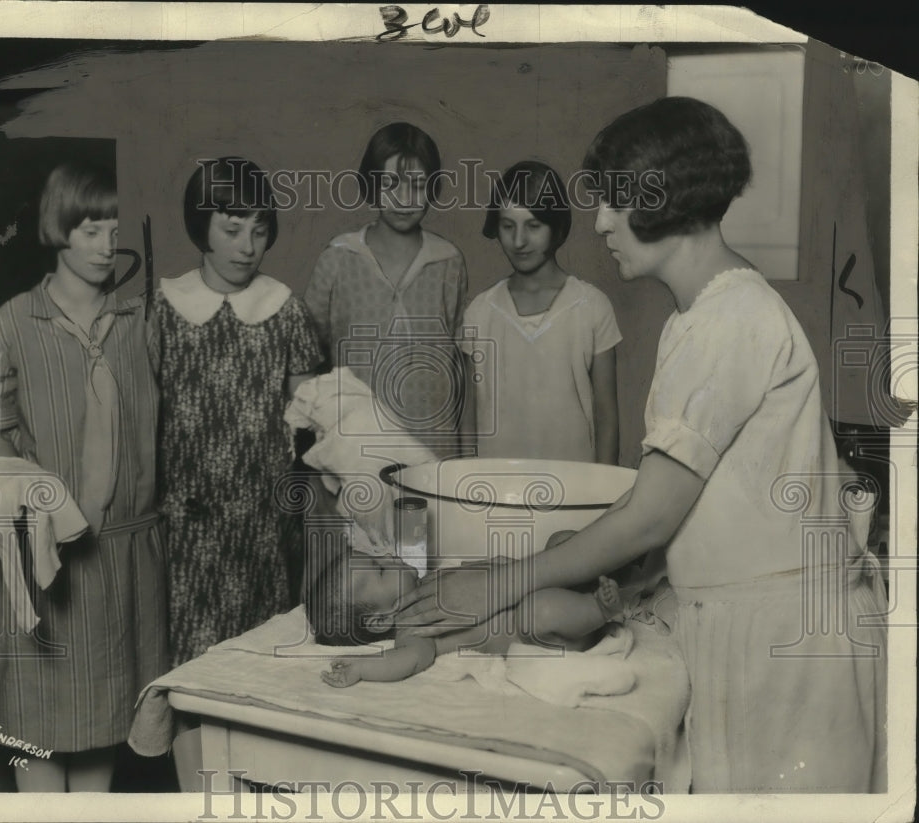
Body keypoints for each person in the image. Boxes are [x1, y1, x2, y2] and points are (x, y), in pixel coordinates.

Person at [396, 97, 887, 793]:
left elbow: (650, 517)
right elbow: (671, 502)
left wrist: (498, 584)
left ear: (662, 200)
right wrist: (563, 565)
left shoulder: (729, 320)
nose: (599, 223)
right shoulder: (702, 316)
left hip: (786, 644)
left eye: (613, 202)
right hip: (758, 623)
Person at [0, 162, 168, 792]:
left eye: (116, 231)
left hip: (122, 560)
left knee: (102, 724)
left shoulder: (143, 321)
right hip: (44, 558)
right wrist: (22, 496)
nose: (106, 246)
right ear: (59, 229)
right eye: (90, 230)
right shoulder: (13, 322)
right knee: (35, 724)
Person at [151, 157, 322, 668]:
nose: (248, 247)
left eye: (259, 231)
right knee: (190, 667)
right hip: (188, 530)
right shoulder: (162, 309)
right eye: (232, 230)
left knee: (259, 663)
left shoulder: (286, 310)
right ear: (201, 225)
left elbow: (310, 427)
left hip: (264, 530)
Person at [303, 122, 467, 456]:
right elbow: (306, 358)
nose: (404, 199)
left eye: (417, 185)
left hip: (431, 447)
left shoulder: (448, 262)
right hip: (353, 449)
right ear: (370, 184)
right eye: (390, 184)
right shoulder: (338, 258)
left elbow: (461, 363)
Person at [461, 160, 620, 463]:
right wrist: (466, 482)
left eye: (533, 226)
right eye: (508, 226)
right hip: (495, 487)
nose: (519, 241)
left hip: (575, 486)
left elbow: (607, 421)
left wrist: (607, 486)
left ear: (557, 228)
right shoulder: (479, 312)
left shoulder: (592, 307)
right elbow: (468, 419)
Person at [309, 547, 623, 687]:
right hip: (549, 629)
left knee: (560, 540)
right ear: (380, 621)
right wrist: (362, 668)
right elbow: (405, 661)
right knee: (540, 612)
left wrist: (497, 565)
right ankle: (600, 609)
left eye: (378, 557)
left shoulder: (428, 581)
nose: (389, 556)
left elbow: (472, 578)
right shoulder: (414, 630)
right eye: (380, 569)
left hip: (531, 583)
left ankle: (617, 576)